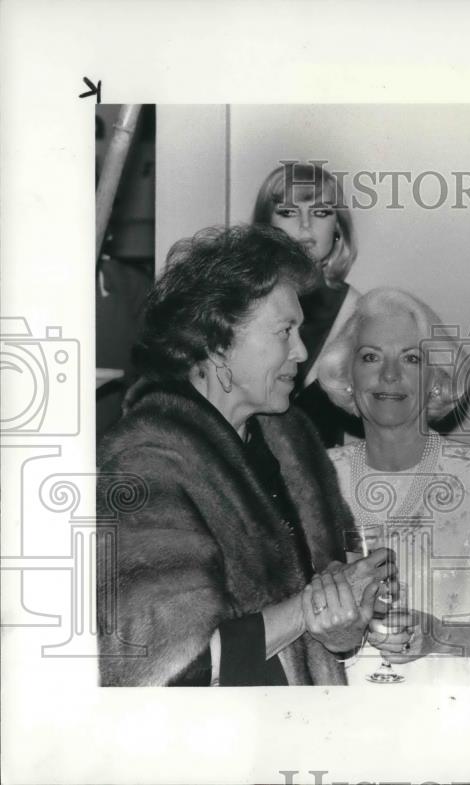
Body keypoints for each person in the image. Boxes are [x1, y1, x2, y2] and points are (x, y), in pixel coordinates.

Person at [97, 224, 397, 686]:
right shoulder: (147, 461)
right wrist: (309, 608)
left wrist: (345, 623)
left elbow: (333, 628)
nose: (301, 351)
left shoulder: (292, 438)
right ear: (217, 342)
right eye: (285, 331)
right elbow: (172, 666)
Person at [317, 288, 470, 685]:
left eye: (411, 359)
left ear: (435, 381)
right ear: (346, 376)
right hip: (340, 716)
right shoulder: (314, 477)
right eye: (371, 357)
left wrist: (439, 635)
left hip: (452, 721)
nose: (389, 375)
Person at [253, 162, 363, 447]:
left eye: (321, 212)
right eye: (288, 212)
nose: (305, 225)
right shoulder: (241, 303)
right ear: (266, 225)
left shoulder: (358, 312)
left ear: (338, 227)